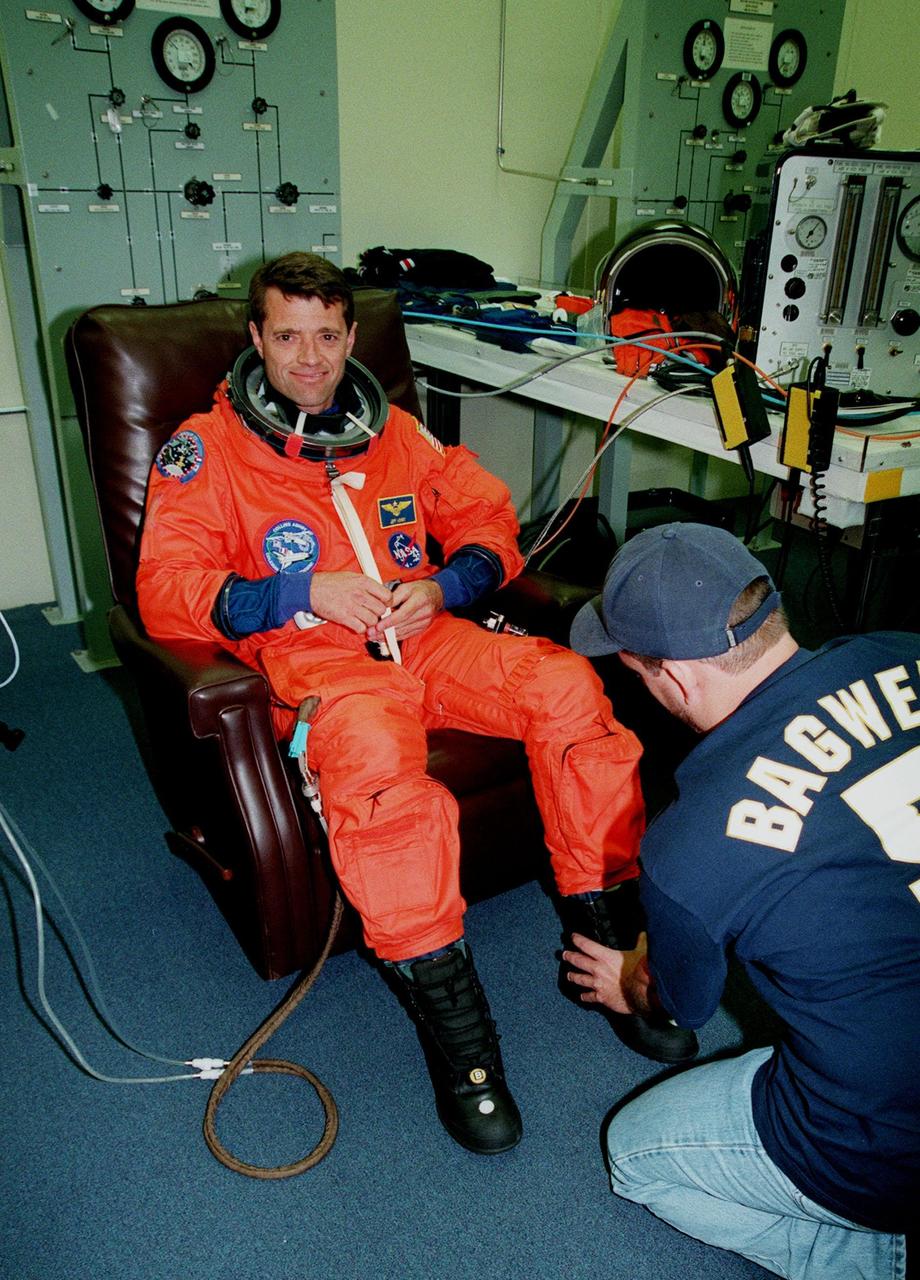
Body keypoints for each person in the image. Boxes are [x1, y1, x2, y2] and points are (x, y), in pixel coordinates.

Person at [136, 252, 696, 1158]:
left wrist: (449, 585)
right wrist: (303, 591)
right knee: (382, 784)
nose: (309, 359)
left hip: (425, 634)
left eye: (327, 336)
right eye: (287, 336)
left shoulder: (393, 429)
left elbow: (485, 517)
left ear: (353, 337)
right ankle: (466, 1054)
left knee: (567, 689)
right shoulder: (208, 450)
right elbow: (166, 588)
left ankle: (614, 958)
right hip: (322, 660)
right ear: (255, 337)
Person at [566, 521, 919, 1279]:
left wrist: (629, 979)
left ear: (676, 679)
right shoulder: (903, 649)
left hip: (888, 1145)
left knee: (637, 1155)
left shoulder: (688, 845)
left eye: (636, 671)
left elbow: (675, 1006)